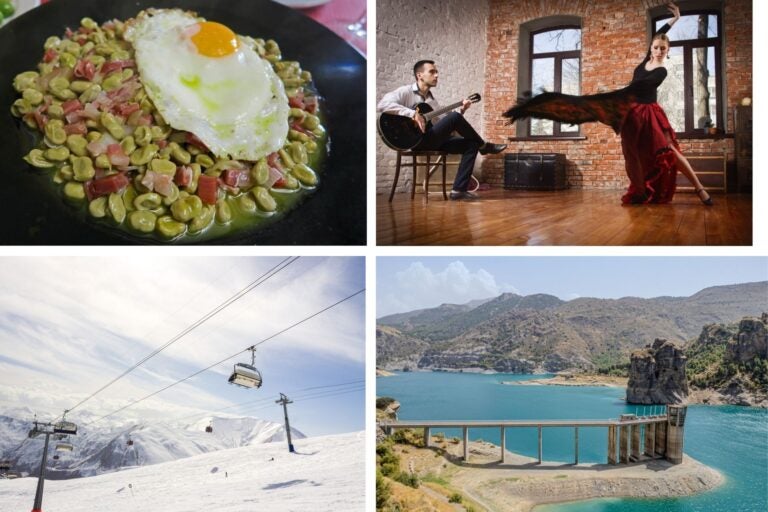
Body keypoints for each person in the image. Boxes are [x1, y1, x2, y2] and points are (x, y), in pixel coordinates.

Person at [504, 2, 713, 206]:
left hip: (649, 114)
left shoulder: (661, 71)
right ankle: (640, 191)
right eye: (656, 47)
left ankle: (699, 188)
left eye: (663, 49)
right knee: (633, 154)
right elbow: (657, 33)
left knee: (669, 150)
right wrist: (674, 19)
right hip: (631, 114)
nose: (659, 51)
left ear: (667, 51)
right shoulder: (644, 62)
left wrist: (611, 96)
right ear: (651, 47)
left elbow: (638, 89)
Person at [378, 60, 507, 200]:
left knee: (471, 144)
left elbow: (442, 125)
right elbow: (382, 105)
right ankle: (484, 146)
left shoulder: (431, 101)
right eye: (432, 72)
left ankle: (458, 191)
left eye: (436, 72)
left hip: (431, 138)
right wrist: (412, 114)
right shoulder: (406, 92)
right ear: (419, 75)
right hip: (415, 141)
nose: (437, 75)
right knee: (454, 117)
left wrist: (462, 110)